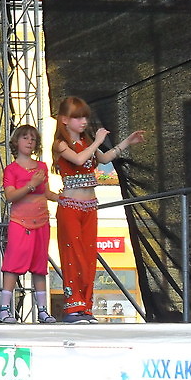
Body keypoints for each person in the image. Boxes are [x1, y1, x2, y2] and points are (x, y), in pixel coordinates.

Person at [51, 96, 145, 323]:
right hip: (70, 207)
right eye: (77, 117)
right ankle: (73, 307)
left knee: (88, 255)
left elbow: (103, 158)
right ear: (64, 120)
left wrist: (126, 142)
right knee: (73, 255)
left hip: (90, 206)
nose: (83, 122)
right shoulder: (61, 144)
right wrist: (97, 141)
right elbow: (78, 159)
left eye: (85, 117)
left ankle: (86, 307)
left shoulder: (87, 141)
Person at [0, 123, 59, 324]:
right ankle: (4, 309)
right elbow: (10, 196)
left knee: (40, 266)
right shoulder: (11, 170)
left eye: (33, 138)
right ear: (16, 142)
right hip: (20, 222)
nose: (30, 141)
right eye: (25, 137)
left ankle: (42, 310)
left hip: (41, 221)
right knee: (13, 264)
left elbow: (46, 192)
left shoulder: (42, 167)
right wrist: (31, 185)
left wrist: (63, 198)